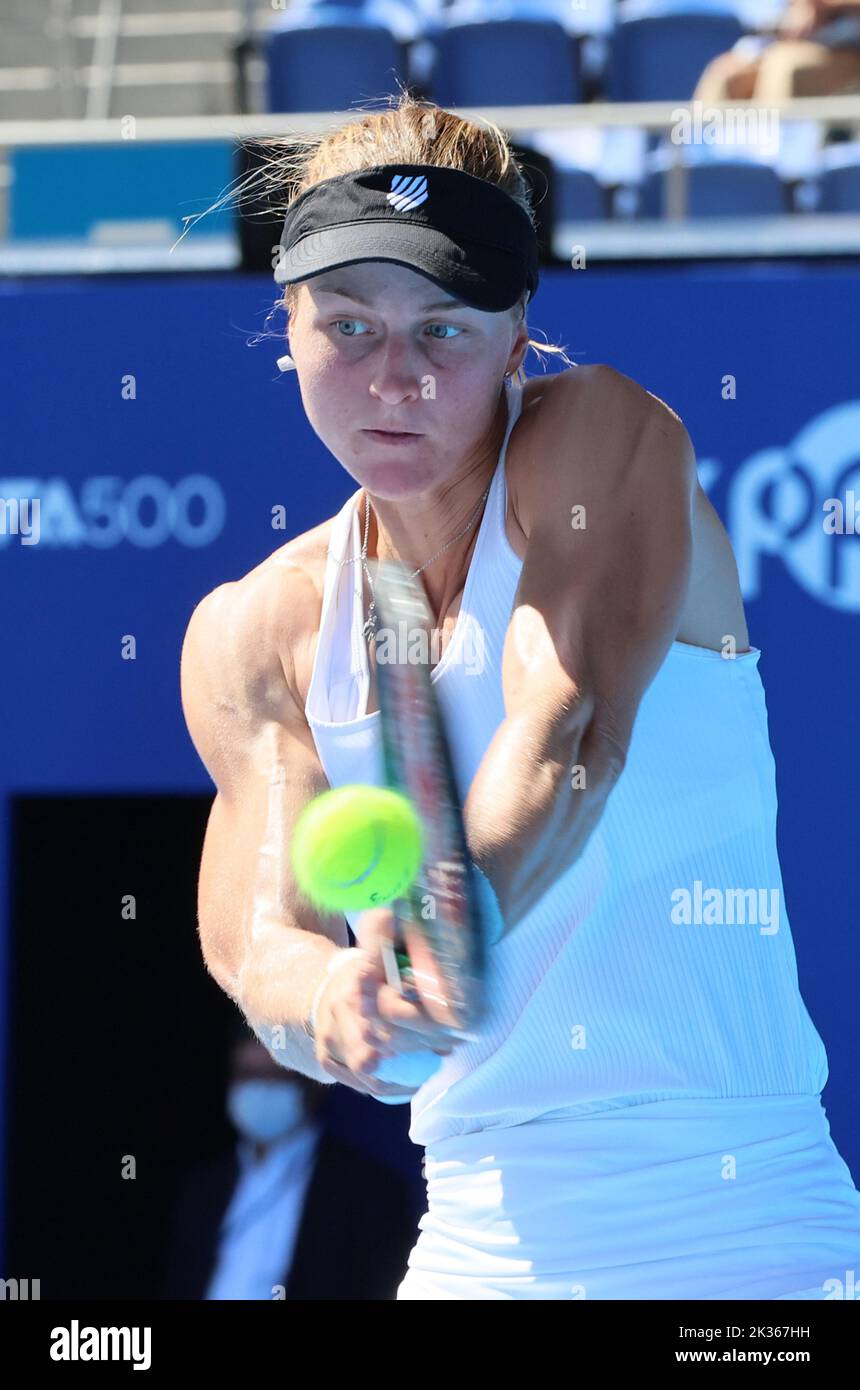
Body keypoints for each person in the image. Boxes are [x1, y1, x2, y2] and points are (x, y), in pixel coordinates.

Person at [180, 92, 860, 1298]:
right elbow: (251, 942)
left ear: (516, 331)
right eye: (348, 328)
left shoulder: (603, 436)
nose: (395, 379)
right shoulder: (255, 628)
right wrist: (329, 999)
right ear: (285, 325)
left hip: (750, 1233)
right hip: (473, 1248)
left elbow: (564, 725)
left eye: (443, 331)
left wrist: (448, 928)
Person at [163, 1024, 421, 1299]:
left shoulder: (365, 1189)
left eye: (274, 1077)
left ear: (311, 1083)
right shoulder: (206, 1186)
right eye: (248, 1076)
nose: (259, 1091)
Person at [695, 0, 860, 102]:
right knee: (724, 73)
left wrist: (826, 4)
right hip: (797, 41)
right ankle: (706, 157)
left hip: (850, 49)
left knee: (782, 67)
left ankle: (770, 159)